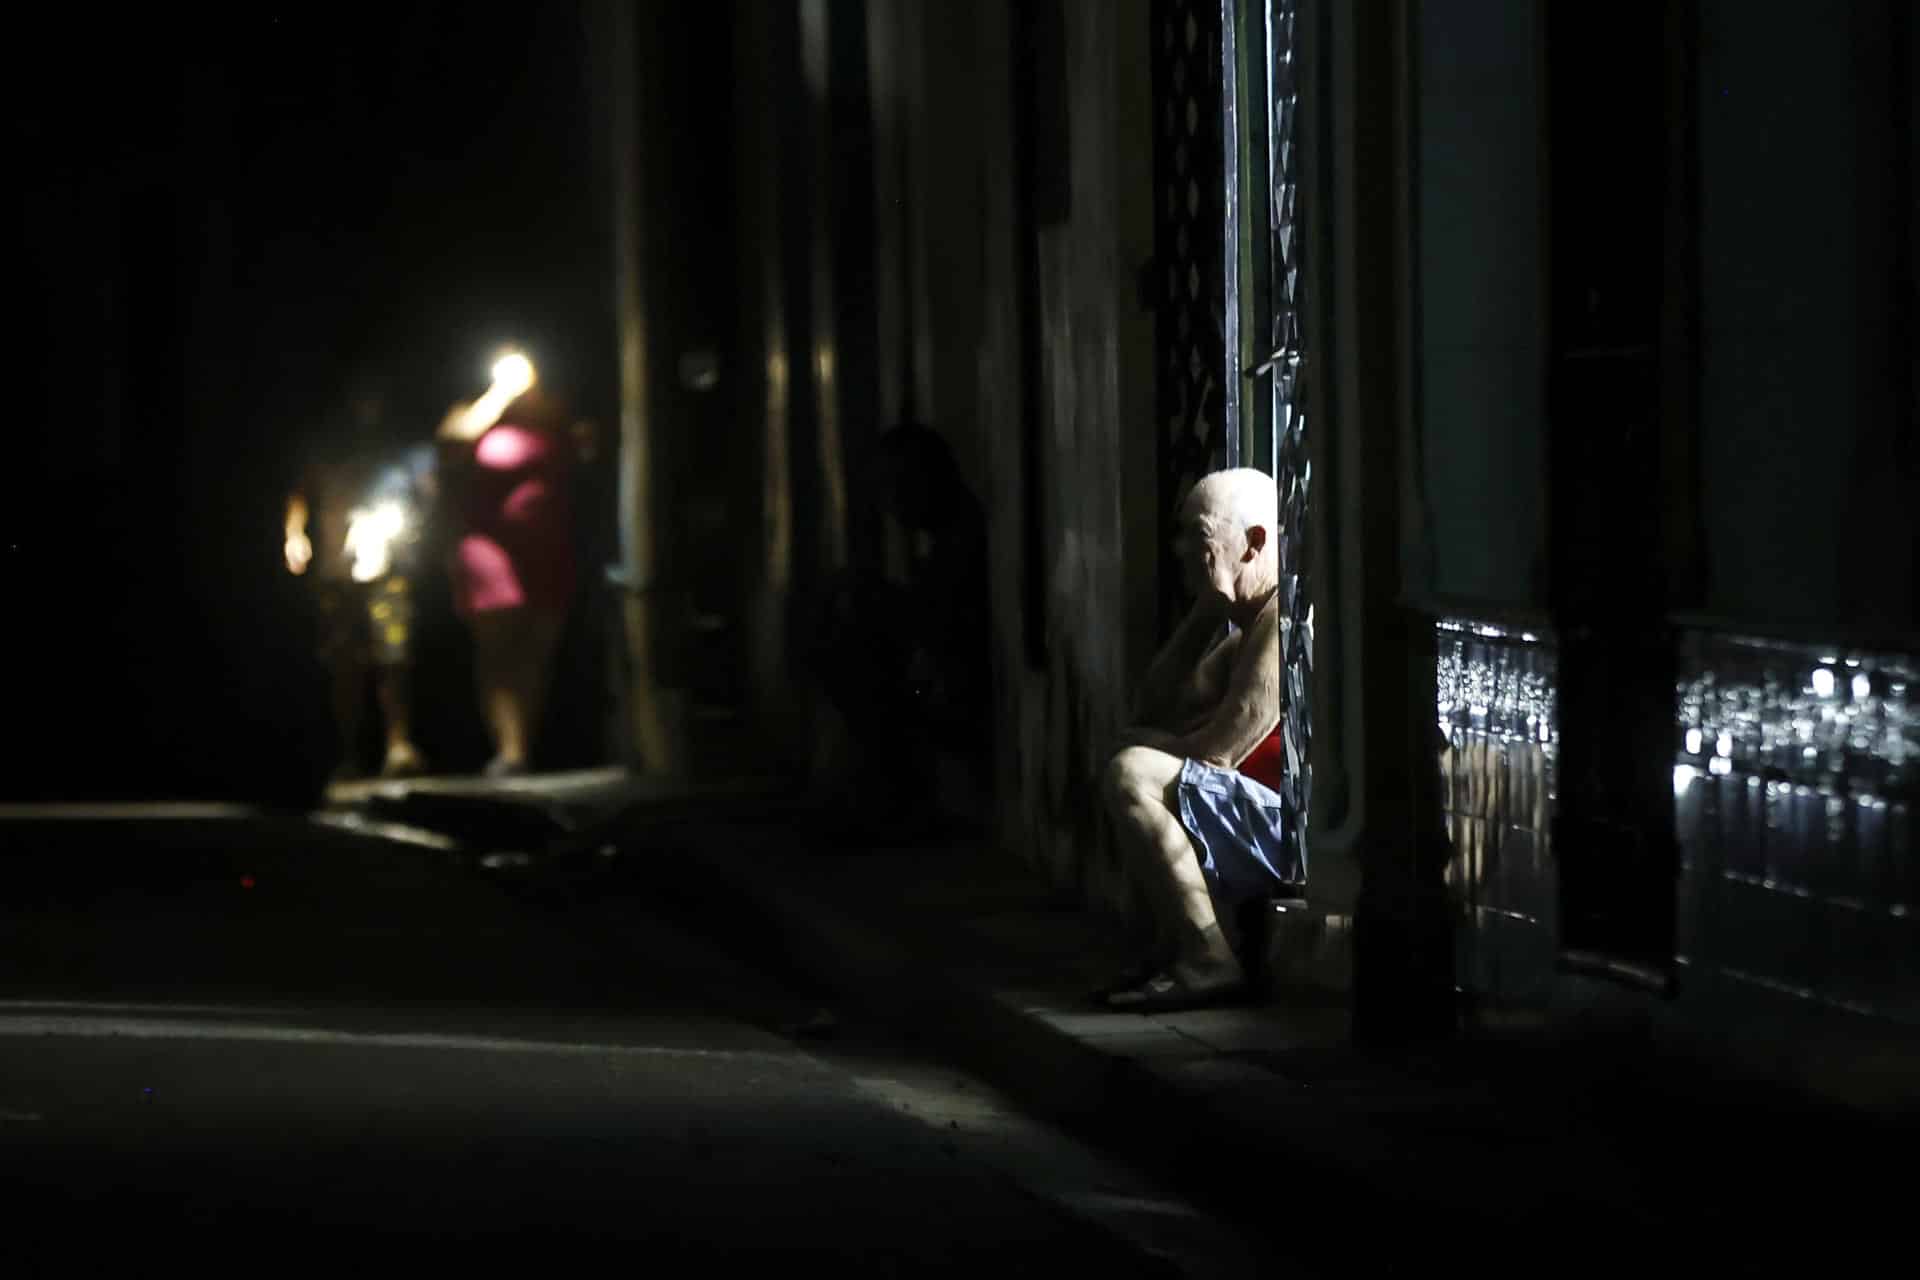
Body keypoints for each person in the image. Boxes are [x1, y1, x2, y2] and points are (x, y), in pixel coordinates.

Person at [1098, 467, 1300, 1012]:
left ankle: (1207, 957)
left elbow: (1219, 751)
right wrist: (1205, 610)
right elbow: (1156, 706)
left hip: (1295, 831)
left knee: (1131, 772)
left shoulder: (1284, 621)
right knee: (1132, 752)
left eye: (1201, 539)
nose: (1183, 552)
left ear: (1254, 543)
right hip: (1264, 819)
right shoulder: (1248, 624)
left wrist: (1138, 753)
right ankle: (1174, 949)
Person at [283, 375, 433, 782]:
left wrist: (418, 530)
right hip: (338, 568)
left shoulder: (403, 444)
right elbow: (301, 490)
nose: (367, 404)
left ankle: (398, 745)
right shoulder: (327, 443)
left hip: (390, 565)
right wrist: (295, 535)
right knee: (343, 660)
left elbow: (430, 492)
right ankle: (347, 753)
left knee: (394, 656)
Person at [436, 359, 579, 779]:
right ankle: (509, 751)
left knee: (537, 651)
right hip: (489, 552)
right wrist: (500, 393)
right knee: (498, 650)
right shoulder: (472, 412)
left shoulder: (551, 413)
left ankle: (523, 746)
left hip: (546, 550)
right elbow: (451, 441)